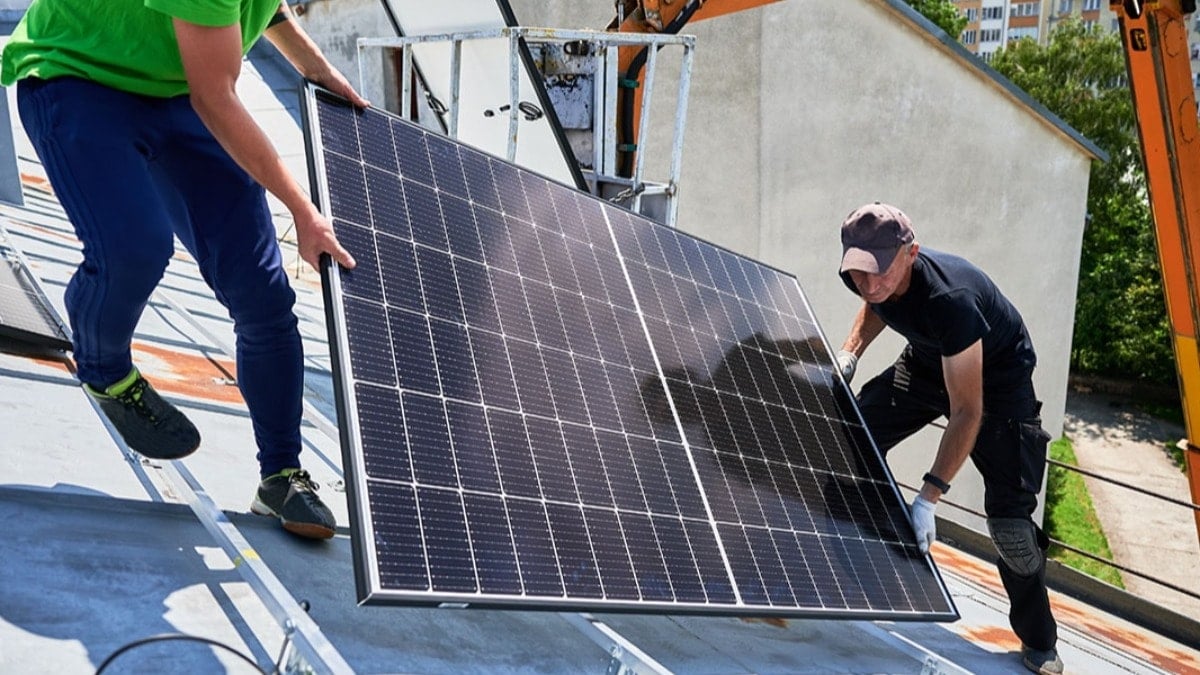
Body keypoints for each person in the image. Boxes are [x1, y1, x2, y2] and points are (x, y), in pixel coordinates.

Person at [1, 0, 365, 540]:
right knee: (134, 247)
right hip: (80, 74)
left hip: (178, 95)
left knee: (265, 295)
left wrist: (317, 70)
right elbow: (215, 97)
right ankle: (103, 369)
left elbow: (267, 8)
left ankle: (281, 476)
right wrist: (302, 211)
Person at [834, 202, 1062, 674]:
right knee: (848, 440)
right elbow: (876, 302)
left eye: (879, 272)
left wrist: (929, 497)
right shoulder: (879, 277)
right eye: (859, 273)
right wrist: (850, 353)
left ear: (911, 254)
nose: (870, 284)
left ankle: (1040, 641)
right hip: (927, 361)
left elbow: (967, 411)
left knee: (1012, 530)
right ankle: (867, 569)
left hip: (997, 388)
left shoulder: (950, 299)